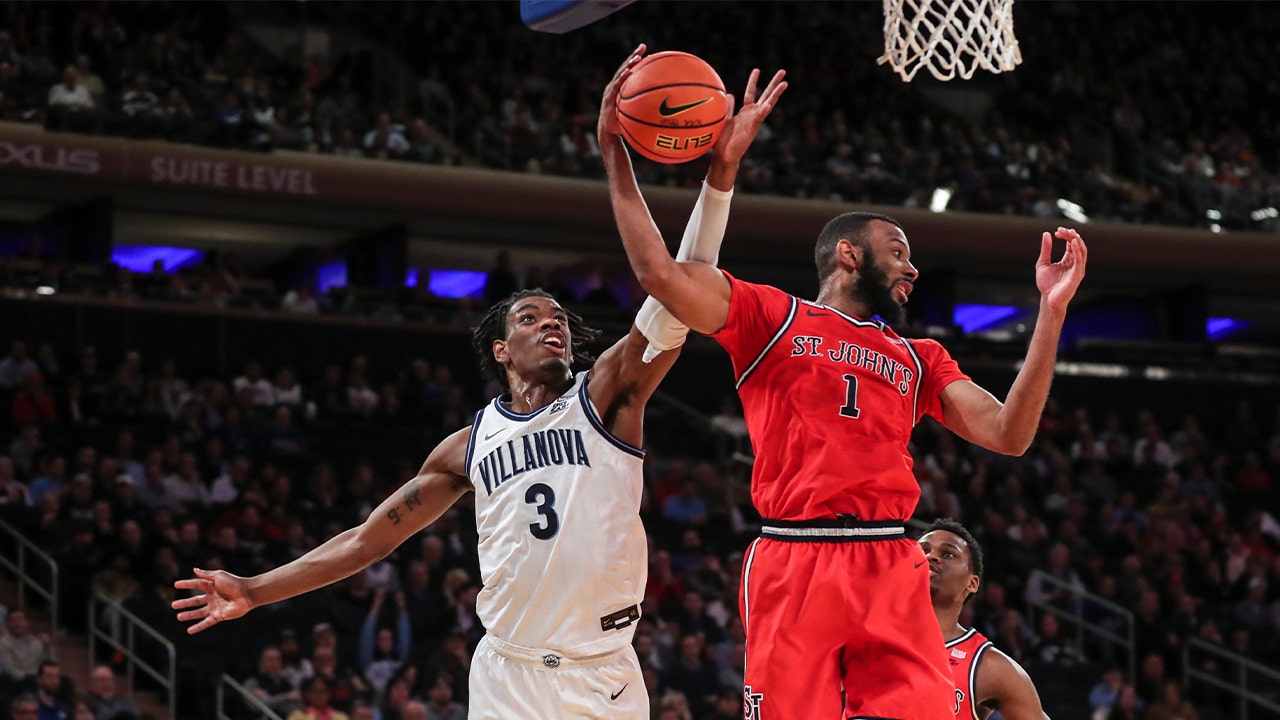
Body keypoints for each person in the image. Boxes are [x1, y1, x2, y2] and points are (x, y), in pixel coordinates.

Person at [599, 44, 1087, 719]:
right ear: (849, 256)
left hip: (890, 559)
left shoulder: (919, 357)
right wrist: (615, 154)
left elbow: (1010, 433)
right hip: (795, 558)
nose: (912, 271)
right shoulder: (773, 316)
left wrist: (1051, 314)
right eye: (899, 254)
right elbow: (659, 274)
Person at [173, 152, 737, 718]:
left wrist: (719, 178)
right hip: (506, 675)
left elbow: (676, 290)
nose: (552, 323)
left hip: (601, 674)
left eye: (559, 317)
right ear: (501, 349)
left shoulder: (606, 397)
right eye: (531, 318)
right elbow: (368, 540)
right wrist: (254, 590)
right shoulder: (467, 447)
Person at [920, 519, 1049, 720]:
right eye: (922, 550)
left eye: (948, 553)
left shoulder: (989, 667)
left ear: (972, 583)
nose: (931, 556)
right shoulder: (870, 636)